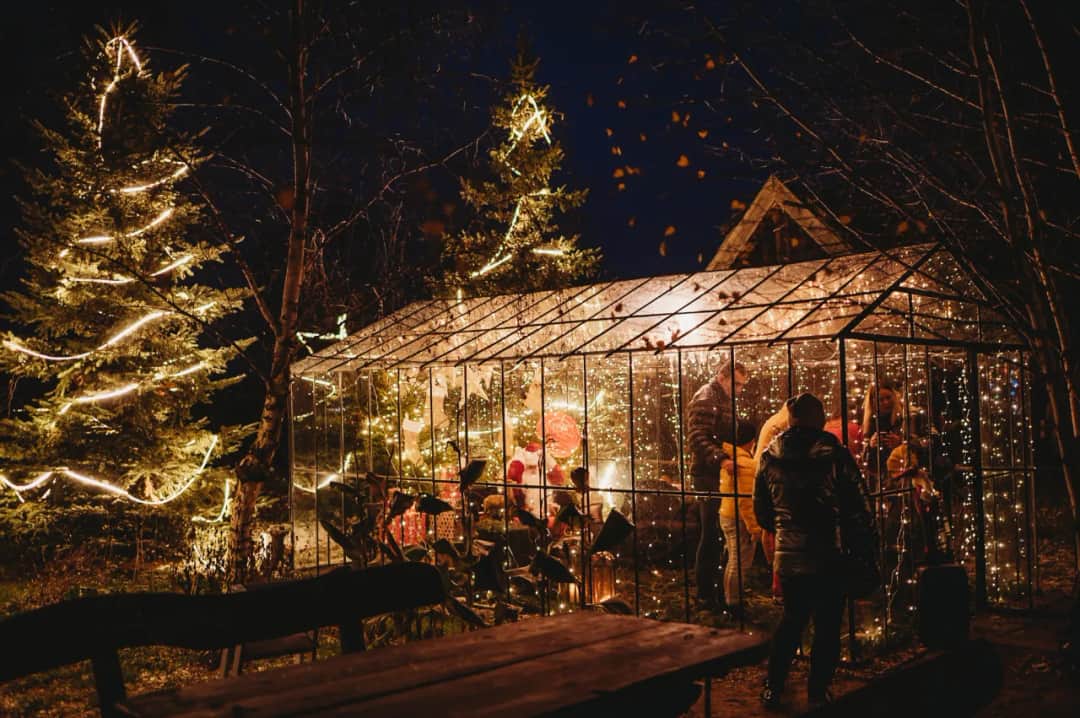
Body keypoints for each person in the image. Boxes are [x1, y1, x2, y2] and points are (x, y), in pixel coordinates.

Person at [754, 393, 877, 710]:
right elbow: (859, 507)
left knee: (791, 620)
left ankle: (773, 686)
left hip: (789, 555)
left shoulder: (770, 456)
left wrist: (786, 528)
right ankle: (818, 691)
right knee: (827, 625)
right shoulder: (835, 454)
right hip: (829, 553)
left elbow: (762, 513)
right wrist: (863, 545)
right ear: (819, 419)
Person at [687, 360, 748, 611]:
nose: (739, 390)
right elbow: (697, 437)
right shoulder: (707, 397)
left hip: (717, 473)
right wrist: (721, 459)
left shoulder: (720, 398)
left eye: (742, 385)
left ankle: (717, 590)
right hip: (708, 475)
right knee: (711, 533)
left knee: (718, 532)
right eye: (736, 384)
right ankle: (705, 593)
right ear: (722, 377)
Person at [719, 418, 762, 618]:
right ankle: (733, 603)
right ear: (751, 441)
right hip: (739, 518)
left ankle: (729, 598)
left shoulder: (730, 458)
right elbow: (746, 501)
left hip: (727, 513)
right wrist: (755, 528)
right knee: (739, 562)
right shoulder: (745, 464)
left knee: (733, 559)